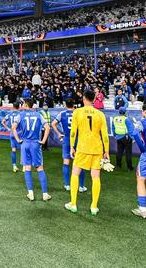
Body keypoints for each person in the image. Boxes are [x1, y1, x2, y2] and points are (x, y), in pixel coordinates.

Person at [65, 88, 111, 216]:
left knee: (75, 173)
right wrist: (106, 151)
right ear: (94, 99)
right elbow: (105, 135)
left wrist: (72, 146)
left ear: (84, 98)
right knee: (95, 177)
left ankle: (73, 204)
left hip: (82, 148)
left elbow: (73, 132)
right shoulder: (100, 114)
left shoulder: (77, 112)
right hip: (97, 149)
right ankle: (94, 207)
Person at [12, 98, 51, 202]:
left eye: (23, 103)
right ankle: (45, 194)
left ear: (26, 105)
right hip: (35, 144)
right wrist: (43, 141)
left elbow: (13, 128)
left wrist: (18, 140)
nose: (22, 105)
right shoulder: (38, 115)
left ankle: (31, 194)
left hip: (25, 144)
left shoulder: (20, 115)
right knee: (39, 168)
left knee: (27, 168)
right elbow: (48, 127)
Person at [51, 98, 86, 192]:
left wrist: (59, 134)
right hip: (77, 139)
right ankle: (81, 186)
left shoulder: (62, 113)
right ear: (74, 104)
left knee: (66, 162)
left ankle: (67, 185)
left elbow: (53, 124)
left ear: (65, 105)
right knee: (80, 163)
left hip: (67, 139)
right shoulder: (78, 113)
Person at [2, 101, 22, 173]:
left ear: (13, 106)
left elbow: (3, 121)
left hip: (12, 134)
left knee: (13, 150)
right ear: (19, 106)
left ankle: (14, 166)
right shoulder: (20, 114)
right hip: (19, 134)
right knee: (22, 150)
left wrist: (8, 128)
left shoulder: (9, 114)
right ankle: (24, 167)